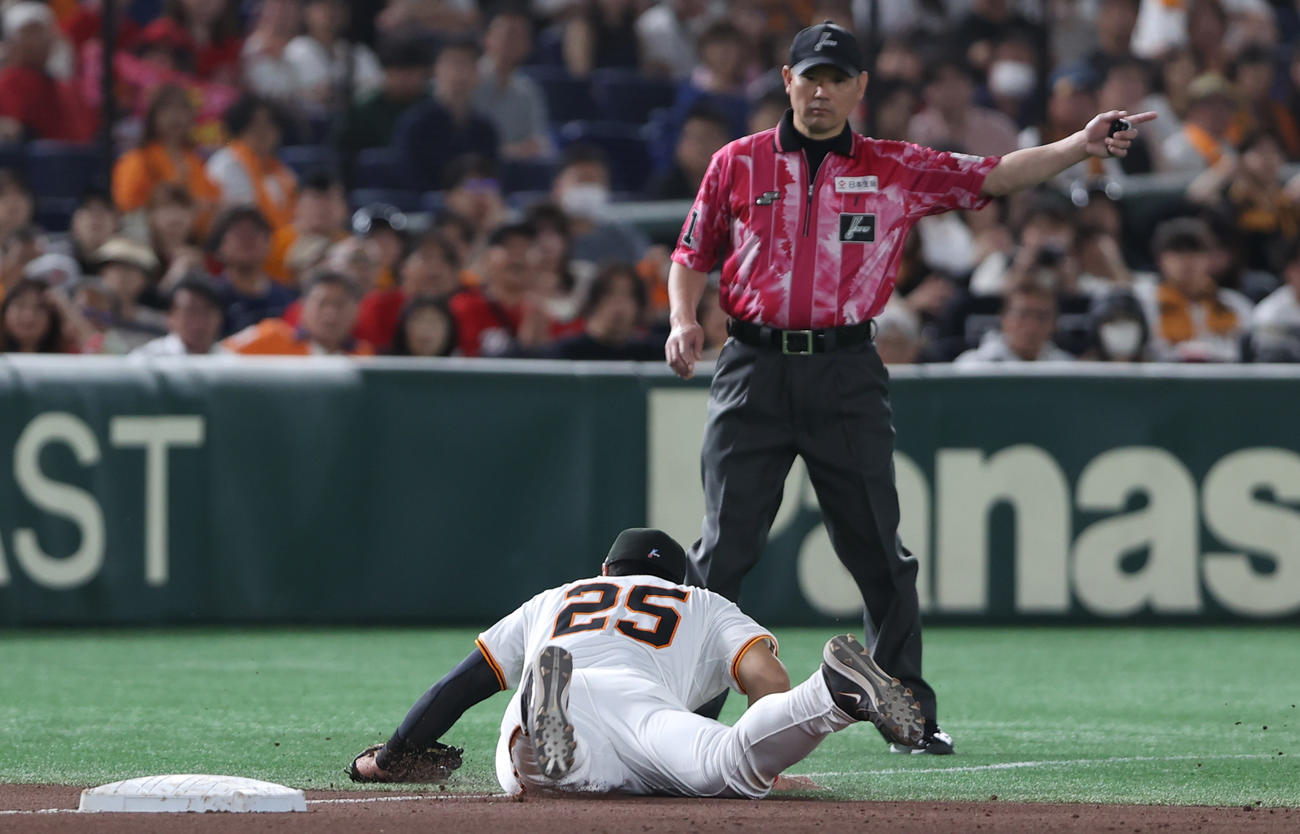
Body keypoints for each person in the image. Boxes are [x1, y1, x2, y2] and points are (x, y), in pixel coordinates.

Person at [664, 20, 1156, 755]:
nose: (821, 90)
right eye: (810, 76)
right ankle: (688, 714)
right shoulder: (737, 163)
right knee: (722, 552)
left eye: (837, 78)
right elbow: (690, 251)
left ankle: (906, 712)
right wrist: (681, 318)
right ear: (787, 80)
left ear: (860, 88)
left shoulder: (896, 165)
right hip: (753, 366)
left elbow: (995, 174)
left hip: (846, 368)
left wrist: (1078, 146)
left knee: (877, 551)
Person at [347, 527, 924, 796]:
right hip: (645, 707)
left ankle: (547, 711)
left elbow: (460, 685)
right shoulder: (702, 602)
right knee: (730, 767)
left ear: (605, 572)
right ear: (675, 579)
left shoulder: (558, 596)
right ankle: (830, 694)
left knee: (543, 772)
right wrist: (767, 742)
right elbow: (766, 679)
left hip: (566, 672)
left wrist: (392, 757)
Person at [1133, 216, 1252, 362]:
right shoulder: (1145, 304)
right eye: (1177, 252)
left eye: (1195, 251)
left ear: (1209, 259)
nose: (1187, 260)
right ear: (1160, 260)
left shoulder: (1235, 305)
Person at [392, 36, 500, 193]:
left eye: (467, 64)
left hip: (474, 205)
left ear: (477, 73)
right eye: (452, 64)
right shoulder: (414, 123)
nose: (459, 72)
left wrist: (469, 196)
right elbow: (409, 180)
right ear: (435, 70)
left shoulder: (486, 128)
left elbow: (491, 179)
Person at [111, 83, 223, 221]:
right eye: (167, 108)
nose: (175, 116)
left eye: (182, 109)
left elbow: (213, 203)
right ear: (153, 116)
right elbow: (127, 207)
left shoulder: (196, 162)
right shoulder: (138, 159)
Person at [0, 2, 95, 143]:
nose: (38, 41)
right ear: (12, 42)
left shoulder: (67, 90)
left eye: (42, 33)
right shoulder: (6, 84)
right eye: (29, 33)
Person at [224, 270, 373, 356]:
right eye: (322, 303)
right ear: (302, 306)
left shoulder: (364, 355)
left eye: (340, 304)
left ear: (356, 311)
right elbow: (218, 356)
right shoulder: (270, 336)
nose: (330, 313)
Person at [356, 230, 461, 351]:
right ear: (404, 267)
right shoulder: (379, 305)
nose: (436, 267)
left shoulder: (465, 310)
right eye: (426, 256)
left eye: (446, 260)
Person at [206, 95, 298, 230]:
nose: (263, 132)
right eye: (255, 126)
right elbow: (242, 218)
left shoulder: (282, 171)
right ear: (240, 128)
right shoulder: (229, 163)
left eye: (270, 125)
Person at [543, 262, 665, 360]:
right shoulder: (566, 352)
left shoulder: (651, 354)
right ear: (595, 301)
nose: (619, 303)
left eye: (628, 295)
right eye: (610, 294)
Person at [474, 8, 552, 161]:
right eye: (507, 35)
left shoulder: (529, 90)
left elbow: (538, 141)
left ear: (528, 46)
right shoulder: (468, 82)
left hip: (515, 171)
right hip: (473, 172)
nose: (512, 42)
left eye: (520, 36)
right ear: (486, 38)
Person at [283, 0, 383, 115]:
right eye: (323, 7)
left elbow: (375, 88)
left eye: (336, 7)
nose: (330, 13)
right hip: (306, 124)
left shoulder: (358, 53)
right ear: (306, 12)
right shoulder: (294, 50)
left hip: (350, 124)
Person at [209, 205, 297, 334]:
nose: (248, 239)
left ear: (269, 243)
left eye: (255, 232)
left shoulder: (288, 299)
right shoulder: (209, 298)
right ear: (219, 246)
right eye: (239, 233)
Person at [340, 36, 432, 152]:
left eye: (410, 73)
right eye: (397, 72)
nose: (403, 79)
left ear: (425, 74)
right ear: (385, 72)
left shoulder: (434, 106)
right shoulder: (364, 110)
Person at [955, 281, 1076, 364]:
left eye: (1042, 317)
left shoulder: (1067, 368)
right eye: (1022, 315)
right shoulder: (973, 366)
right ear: (1004, 318)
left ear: (1054, 324)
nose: (1032, 325)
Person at [650, 104, 733, 200]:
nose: (702, 145)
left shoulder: (744, 187)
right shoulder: (661, 189)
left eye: (711, 137)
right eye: (695, 137)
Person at [131, 274, 228, 356]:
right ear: (170, 317)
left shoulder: (232, 363)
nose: (198, 321)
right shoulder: (147, 360)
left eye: (206, 312)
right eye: (190, 311)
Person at [0, 278, 70, 352]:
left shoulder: (67, 354)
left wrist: (66, 307)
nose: (28, 316)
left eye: (39, 307)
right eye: (21, 305)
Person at [389, 296, 457, 357]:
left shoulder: (462, 364)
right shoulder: (383, 363)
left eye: (433, 322)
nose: (425, 329)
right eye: (418, 321)